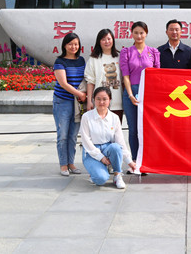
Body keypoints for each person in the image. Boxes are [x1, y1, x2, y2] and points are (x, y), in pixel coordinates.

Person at [119, 21, 160, 164]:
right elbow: (125, 76)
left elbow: (157, 75)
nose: (139, 36)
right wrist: (130, 94)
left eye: (141, 33)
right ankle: (135, 160)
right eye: (136, 33)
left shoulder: (153, 52)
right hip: (131, 93)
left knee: (147, 129)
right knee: (133, 129)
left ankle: (147, 160)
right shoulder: (126, 52)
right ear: (131, 34)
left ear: (146, 33)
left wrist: (152, 95)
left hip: (148, 93)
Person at [81, 86, 137, 189]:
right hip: (91, 151)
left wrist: (130, 162)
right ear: (93, 99)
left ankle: (117, 175)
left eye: (105, 99)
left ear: (110, 100)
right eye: (98, 99)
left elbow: (120, 142)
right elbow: (86, 141)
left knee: (116, 147)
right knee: (101, 179)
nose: (101, 102)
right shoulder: (86, 117)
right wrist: (101, 157)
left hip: (108, 148)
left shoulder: (114, 118)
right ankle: (96, 171)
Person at [52, 32, 86, 177]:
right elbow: (64, 84)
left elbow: (85, 78)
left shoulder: (81, 60)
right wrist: (80, 94)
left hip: (77, 104)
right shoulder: (60, 62)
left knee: (73, 135)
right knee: (63, 135)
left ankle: (71, 163)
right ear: (65, 45)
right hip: (63, 102)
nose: (73, 47)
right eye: (70, 44)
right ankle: (63, 164)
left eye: (76, 44)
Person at [84, 28, 123, 122]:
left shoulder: (119, 57)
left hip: (117, 103)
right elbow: (90, 82)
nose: (107, 42)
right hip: (100, 103)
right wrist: (89, 101)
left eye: (109, 39)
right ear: (99, 42)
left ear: (113, 40)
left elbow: (124, 79)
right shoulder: (94, 59)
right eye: (103, 39)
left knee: (115, 129)